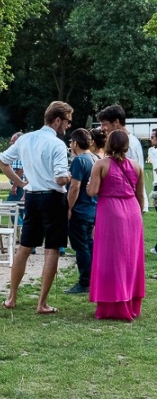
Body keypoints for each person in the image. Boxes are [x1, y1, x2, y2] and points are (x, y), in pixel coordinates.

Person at [0, 101, 73, 314]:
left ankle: (12, 297)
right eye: (67, 122)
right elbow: (59, 179)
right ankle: (42, 303)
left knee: (25, 248)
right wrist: (68, 176)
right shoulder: (57, 144)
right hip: (53, 200)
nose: (67, 126)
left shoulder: (25, 139)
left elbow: (2, 162)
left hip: (31, 197)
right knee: (52, 250)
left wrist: (21, 183)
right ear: (57, 120)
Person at [86, 130, 146, 320]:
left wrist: (88, 185)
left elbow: (92, 191)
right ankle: (130, 301)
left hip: (110, 213)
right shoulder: (136, 166)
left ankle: (112, 304)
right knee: (130, 259)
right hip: (133, 213)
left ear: (109, 144)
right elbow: (140, 196)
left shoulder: (101, 164)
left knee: (110, 259)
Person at [64, 129, 97, 295]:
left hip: (79, 210)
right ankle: (94, 279)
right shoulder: (96, 159)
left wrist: (68, 207)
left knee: (81, 246)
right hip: (92, 209)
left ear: (75, 143)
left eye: (71, 142)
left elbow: (75, 186)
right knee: (90, 245)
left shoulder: (79, 161)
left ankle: (85, 281)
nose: (70, 145)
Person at [98, 105, 147, 212]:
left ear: (116, 122)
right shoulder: (131, 140)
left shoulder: (127, 144)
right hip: (130, 201)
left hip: (126, 202)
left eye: (104, 124)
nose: (102, 129)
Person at [5, 133, 25, 225]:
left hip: (19, 186)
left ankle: (20, 227)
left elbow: (20, 171)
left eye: (12, 141)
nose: (10, 143)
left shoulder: (18, 153)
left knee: (11, 207)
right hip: (23, 185)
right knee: (21, 210)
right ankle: (22, 233)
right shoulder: (24, 152)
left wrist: (14, 186)